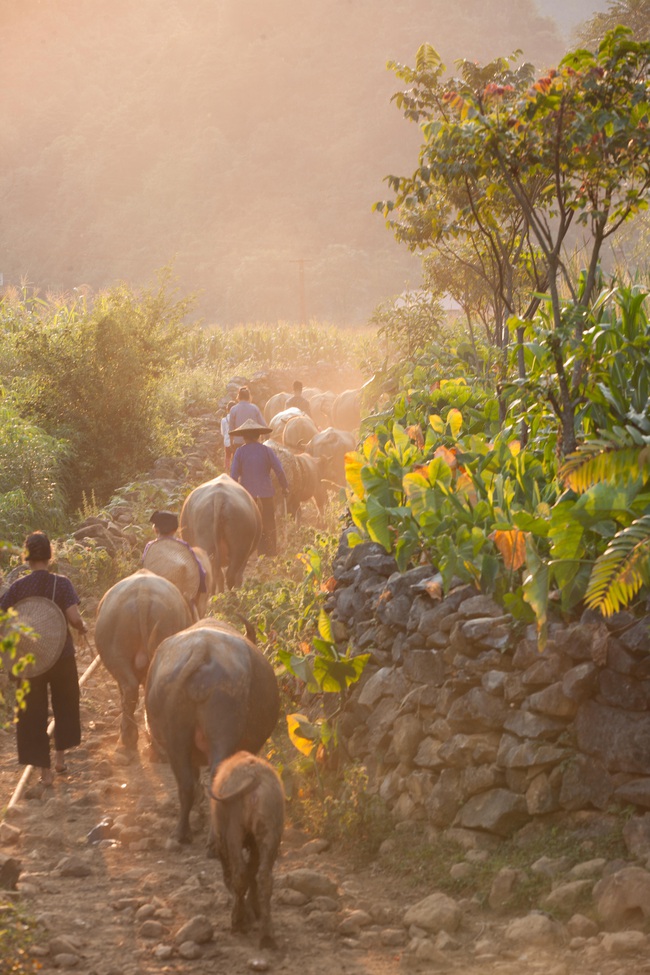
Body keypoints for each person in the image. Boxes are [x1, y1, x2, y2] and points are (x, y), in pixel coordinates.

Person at [0, 531, 86, 786]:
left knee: (31, 714)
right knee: (66, 704)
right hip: (60, 654)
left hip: (29, 659)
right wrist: (82, 628)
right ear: (50, 556)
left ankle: (44, 773)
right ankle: (60, 758)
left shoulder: (17, 588)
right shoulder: (62, 583)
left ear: (26, 557)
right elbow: (73, 617)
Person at [230, 419, 289, 557]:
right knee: (269, 521)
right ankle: (270, 551)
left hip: (248, 495)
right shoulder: (266, 450)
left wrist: (233, 491)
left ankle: (251, 551)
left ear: (244, 436)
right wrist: (284, 486)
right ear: (259, 436)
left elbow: (233, 475)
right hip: (266, 492)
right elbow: (279, 470)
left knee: (250, 522)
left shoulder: (240, 452)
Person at [143, 510, 207, 613]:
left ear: (155, 530)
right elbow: (200, 572)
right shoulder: (183, 546)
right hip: (180, 594)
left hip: (154, 593)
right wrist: (199, 592)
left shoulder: (149, 547)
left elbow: (145, 567)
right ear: (175, 530)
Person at [228, 387, 266, 453]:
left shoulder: (234, 409)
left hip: (238, 442)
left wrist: (231, 442)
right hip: (254, 442)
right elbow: (263, 425)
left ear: (238, 396)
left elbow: (231, 428)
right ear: (249, 397)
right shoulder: (254, 408)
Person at [221, 400, 236, 470]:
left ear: (227, 409)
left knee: (227, 456)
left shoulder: (224, 420)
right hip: (235, 441)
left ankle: (227, 469)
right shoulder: (236, 418)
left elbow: (223, 432)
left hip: (227, 441)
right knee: (235, 456)